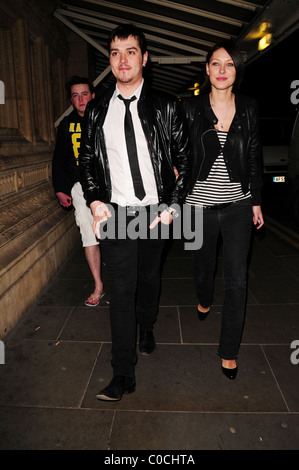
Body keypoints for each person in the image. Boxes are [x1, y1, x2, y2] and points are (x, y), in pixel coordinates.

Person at [79, 24, 190, 401]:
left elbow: (184, 161)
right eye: (114, 52)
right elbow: (88, 162)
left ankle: (148, 325)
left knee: (149, 278)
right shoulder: (95, 111)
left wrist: (174, 206)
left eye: (130, 52)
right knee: (121, 293)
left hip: (156, 212)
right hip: (116, 214)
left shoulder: (167, 105)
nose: (122, 60)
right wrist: (95, 201)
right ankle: (122, 373)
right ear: (109, 60)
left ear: (144, 58)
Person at [183, 41, 264, 380]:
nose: (221, 70)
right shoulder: (189, 108)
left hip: (237, 206)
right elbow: (177, 149)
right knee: (203, 268)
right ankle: (203, 295)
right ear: (206, 69)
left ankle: (229, 350)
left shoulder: (248, 107)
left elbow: (254, 157)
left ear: (236, 71)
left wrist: (256, 200)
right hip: (196, 208)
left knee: (237, 279)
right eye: (215, 63)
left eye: (228, 64)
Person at [52, 76, 105, 307]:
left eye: (84, 94)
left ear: (92, 96)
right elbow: (59, 159)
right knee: (88, 234)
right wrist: (61, 189)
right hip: (79, 188)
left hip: (108, 186)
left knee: (114, 231)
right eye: (75, 95)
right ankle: (98, 285)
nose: (80, 99)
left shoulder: (105, 119)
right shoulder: (66, 124)